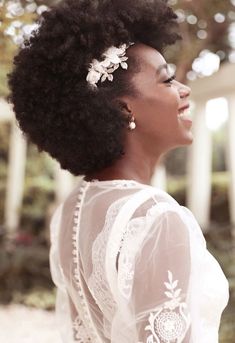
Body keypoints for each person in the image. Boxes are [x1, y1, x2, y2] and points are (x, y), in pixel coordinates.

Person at [8, 0, 229, 342]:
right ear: (124, 109)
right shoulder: (157, 218)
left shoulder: (73, 209)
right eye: (167, 80)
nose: (184, 90)